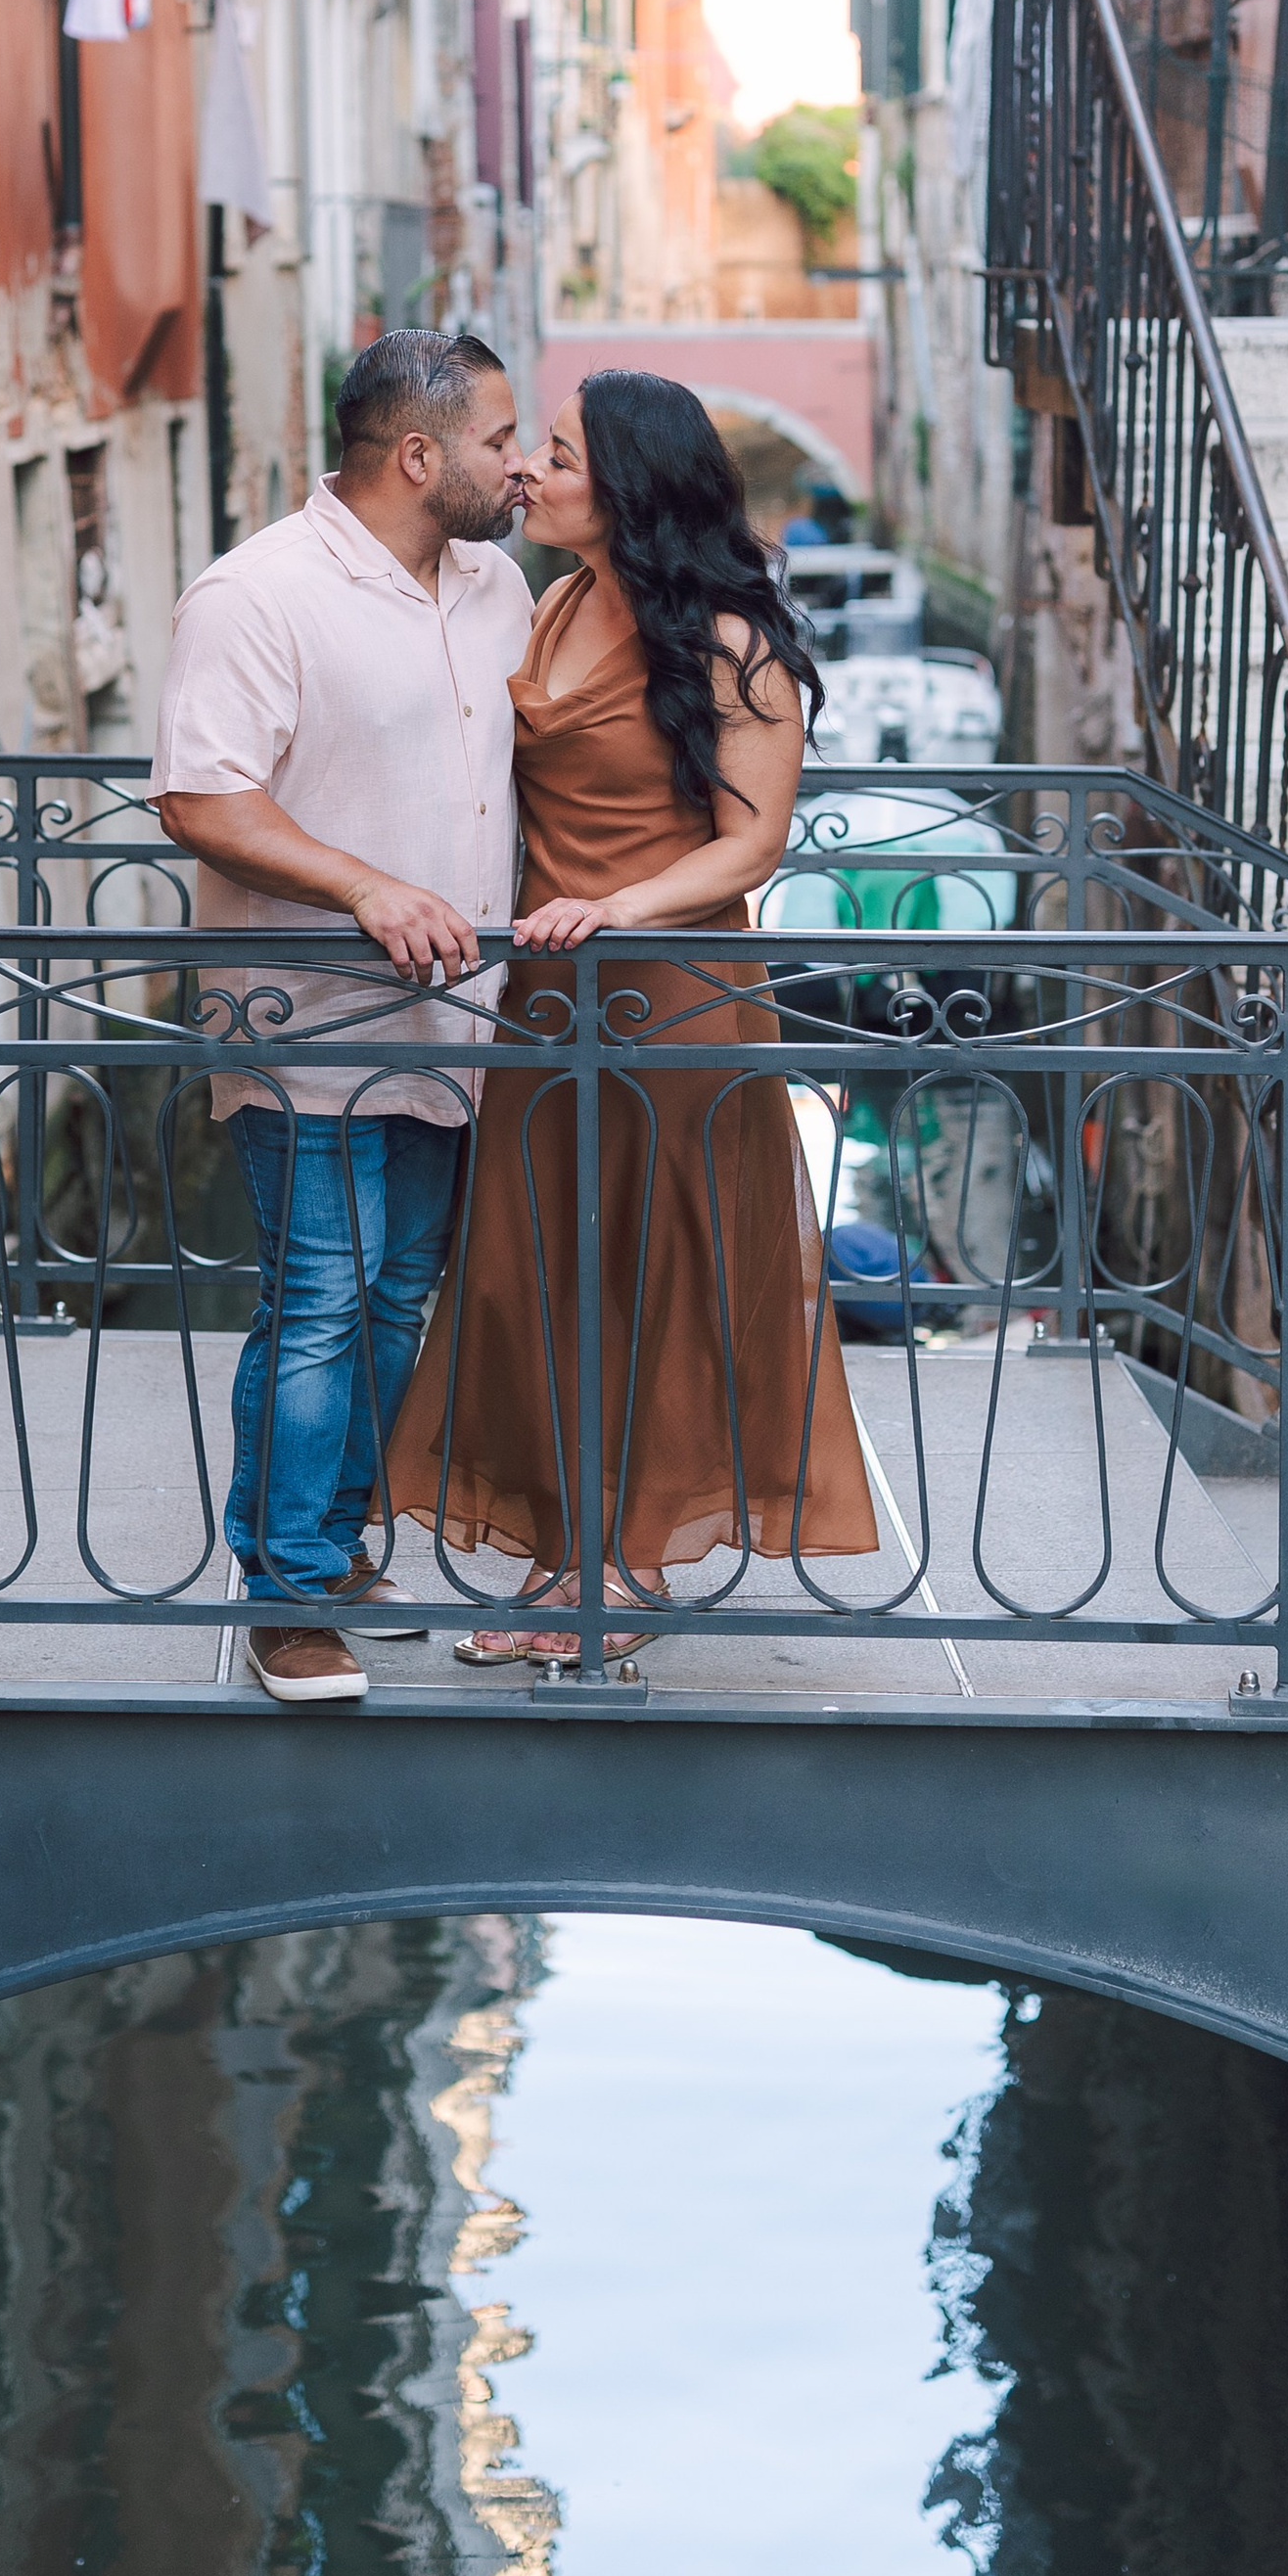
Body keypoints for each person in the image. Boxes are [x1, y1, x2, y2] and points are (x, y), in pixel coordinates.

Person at [383, 371, 876, 1662]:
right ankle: (564, 1557)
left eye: (555, 456)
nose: (528, 473)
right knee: (543, 1270)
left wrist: (617, 909)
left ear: (630, 486)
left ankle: (629, 1567)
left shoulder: (731, 642)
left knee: (655, 1273)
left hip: (672, 993)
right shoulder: (546, 603)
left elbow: (751, 846)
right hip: (547, 995)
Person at [150, 330, 531, 1705]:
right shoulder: (256, 595)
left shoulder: (498, 584)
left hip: (461, 1022)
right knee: (317, 1299)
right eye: (500, 439)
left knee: (394, 1295)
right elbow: (204, 797)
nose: (521, 464)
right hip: (306, 1019)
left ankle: (335, 1546)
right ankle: (287, 1594)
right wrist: (368, 886)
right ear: (419, 455)